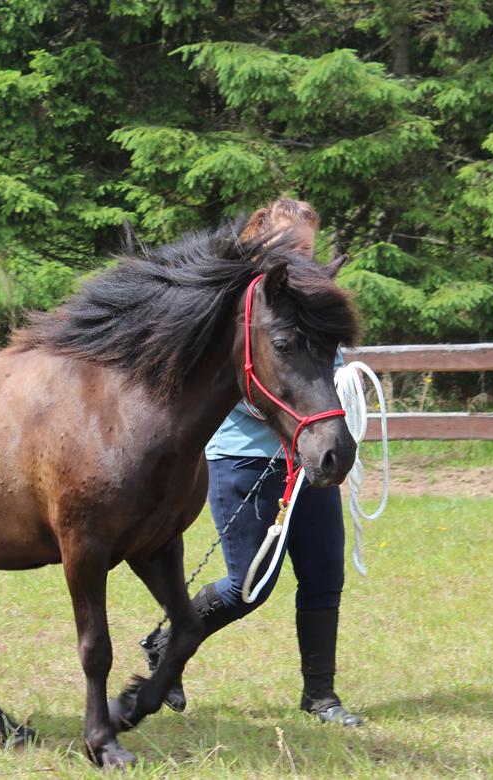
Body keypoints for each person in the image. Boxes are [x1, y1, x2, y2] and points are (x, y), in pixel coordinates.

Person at [141, 200, 364, 727]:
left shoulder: (310, 306)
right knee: (249, 585)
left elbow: (316, 378)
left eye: (308, 247)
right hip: (245, 458)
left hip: (307, 458)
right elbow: (238, 383)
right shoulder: (231, 304)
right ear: (260, 243)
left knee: (324, 575)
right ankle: (167, 641)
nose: (300, 257)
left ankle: (320, 696)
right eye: (289, 246)